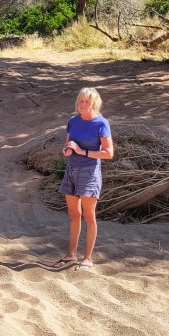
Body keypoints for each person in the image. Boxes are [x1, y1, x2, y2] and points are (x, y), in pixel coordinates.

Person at [52, 88, 114, 271]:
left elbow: (109, 153)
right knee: (73, 214)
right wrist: (68, 150)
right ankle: (71, 254)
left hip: (89, 173)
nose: (81, 104)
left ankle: (87, 258)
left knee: (89, 216)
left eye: (86, 101)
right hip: (71, 170)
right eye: (80, 101)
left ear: (94, 103)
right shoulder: (73, 121)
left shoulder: (101, 123)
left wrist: (82, 152)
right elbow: (67, 145)